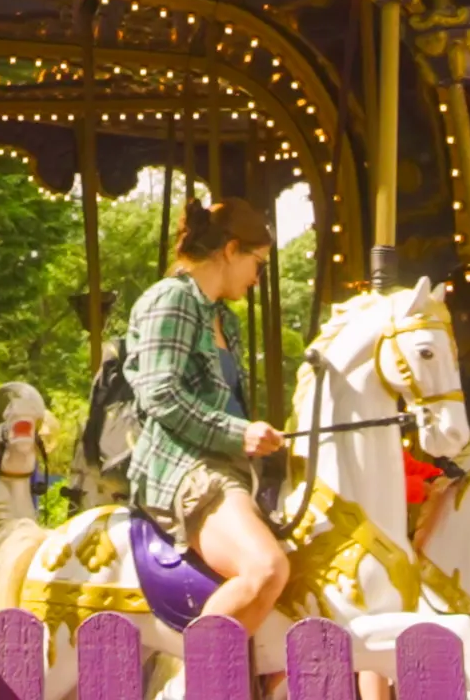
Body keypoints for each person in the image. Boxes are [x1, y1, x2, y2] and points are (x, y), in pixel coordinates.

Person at [125, 198, 289, 627]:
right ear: (231, 249)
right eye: (259, 263)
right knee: (265, 568)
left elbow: (225, 404)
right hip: (184, 466)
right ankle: (203, 678)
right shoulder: (172, 300)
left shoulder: (224, 320)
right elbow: (160, 395)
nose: (257, 277)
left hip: (228, 467)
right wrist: (238, 433)